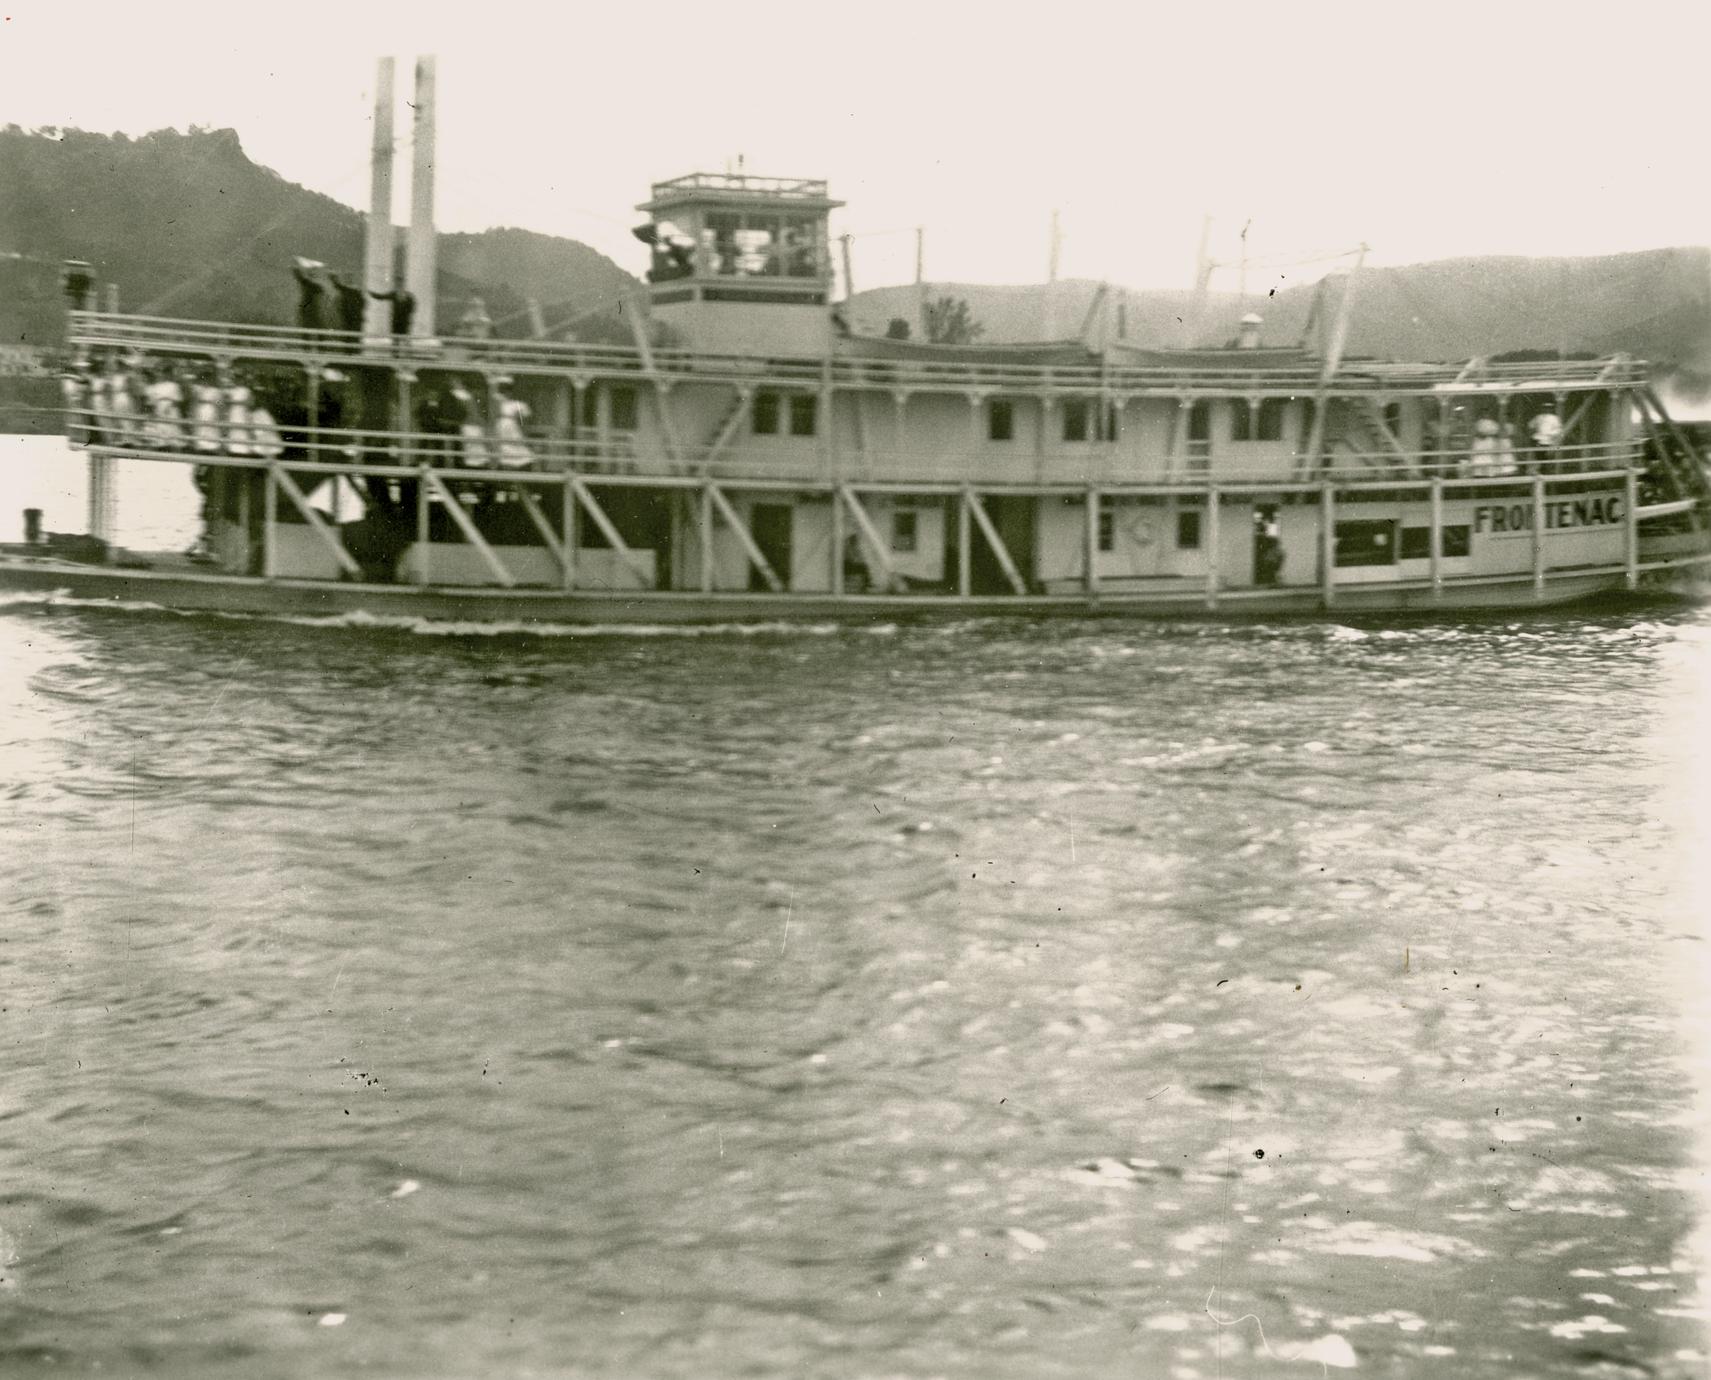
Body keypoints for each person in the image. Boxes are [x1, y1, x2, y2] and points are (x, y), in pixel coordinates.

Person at [292, 258, 329, 332]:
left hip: (311, 311)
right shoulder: (313, 285)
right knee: (313, 329)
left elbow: (301, 278)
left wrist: (296, 269)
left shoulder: (311, 285)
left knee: (310, 329)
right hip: (311, 311)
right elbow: (301, 278)